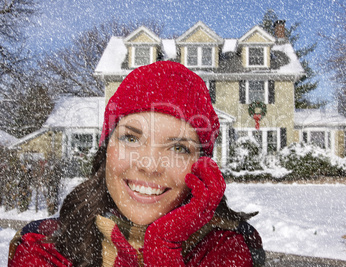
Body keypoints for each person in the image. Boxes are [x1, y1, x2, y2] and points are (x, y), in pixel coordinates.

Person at [8, 61, 265, 266]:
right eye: (131, 138)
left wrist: (163, 249)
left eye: (178, 148)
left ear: (202, 167)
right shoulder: (43, 246)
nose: (150, 165)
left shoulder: (227, 250)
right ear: (106, 149)